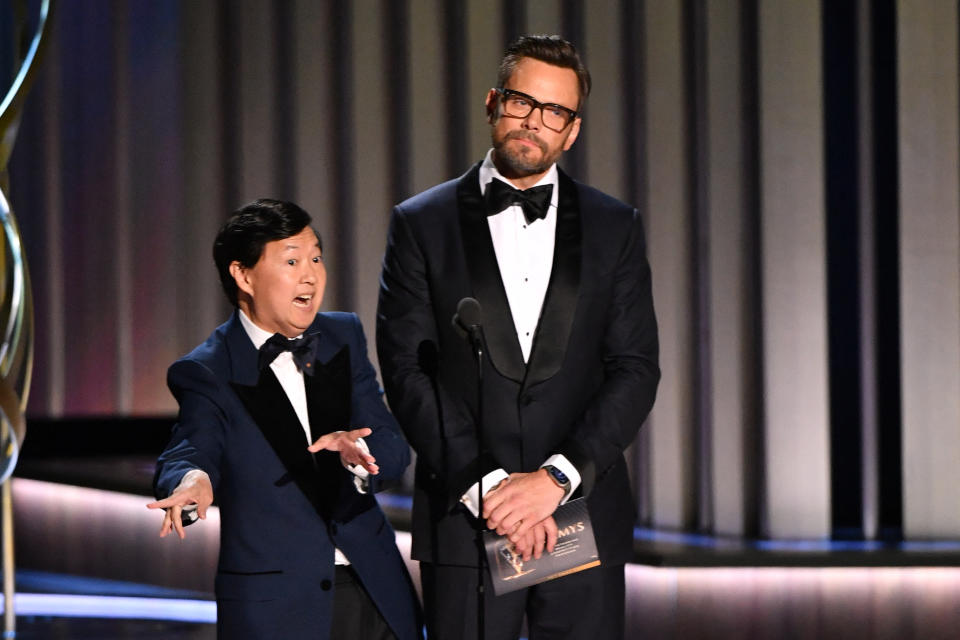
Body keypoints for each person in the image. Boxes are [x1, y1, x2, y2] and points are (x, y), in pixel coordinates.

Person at [376, 35, 659, 640]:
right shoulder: (421, 224)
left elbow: (635, 368)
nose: (534, 122)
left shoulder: (616, 227)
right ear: (491, 103)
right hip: (468, 518)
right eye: (521, 102)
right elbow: (406, 369)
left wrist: (554, 481)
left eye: (554, 111)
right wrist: (494, 491)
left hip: (579, 517)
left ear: (573, 131)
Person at [149, 199, 421, 640]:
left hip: (375, 589)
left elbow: (392, 447)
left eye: (316, 257)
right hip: (278, 607)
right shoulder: (208, 369)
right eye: (292, 261)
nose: (311, 275)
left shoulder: (341, 335)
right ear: (243, 275)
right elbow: (192, 446)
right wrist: (191, 481)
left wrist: (361, 455)